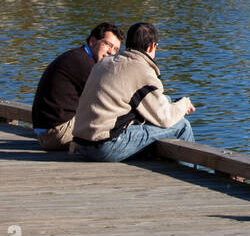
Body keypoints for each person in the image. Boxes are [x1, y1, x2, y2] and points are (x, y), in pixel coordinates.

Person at [73, 22, 195, 162]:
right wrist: (184, 104)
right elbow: (165, 118)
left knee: (165, 100)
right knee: (182, 125)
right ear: (151, 47)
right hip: (104, 147)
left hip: (82, 144)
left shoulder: (105, 63)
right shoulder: (141, 70)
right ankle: (190, 176)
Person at [31, 23, 123, 151]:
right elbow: (107, 100)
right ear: (92, 41)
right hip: (56, 134)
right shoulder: (84, 64)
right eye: (108, 44)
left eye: (116, 49)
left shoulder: (77, 56)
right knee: (118, 117)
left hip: (47, 132)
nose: (111, 52)